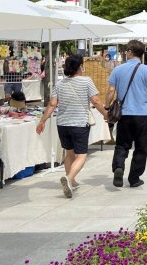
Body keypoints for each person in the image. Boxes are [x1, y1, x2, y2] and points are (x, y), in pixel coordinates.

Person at [36, 55, 108, 198]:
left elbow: (52, 104)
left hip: (62, 123)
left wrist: (42, 121)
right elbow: (96, 100)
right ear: (80, 66)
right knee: (81, 156)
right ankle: (69, 179)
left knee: (69, 153)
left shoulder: (60, 84)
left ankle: (72, 180)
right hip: (79, 123)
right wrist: (105, 114)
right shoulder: (86, 81)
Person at [105, 40, 147, 188]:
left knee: (122, 144)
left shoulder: (118, 70)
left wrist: (106, 107)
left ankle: (118, 167)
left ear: (129, 52)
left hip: (124, 114)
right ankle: (134, 178)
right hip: (142, 113)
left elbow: (110, 91)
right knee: (141, 147)